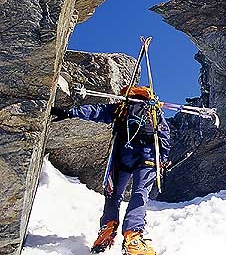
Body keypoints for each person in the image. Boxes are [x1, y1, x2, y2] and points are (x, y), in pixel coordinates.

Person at [50, 85, 171, 255]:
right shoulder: (154, 112)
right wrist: (163, 159)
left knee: (114, 193)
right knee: (140, 193)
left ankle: (108, 227)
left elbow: (96, 111)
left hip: (123, 157)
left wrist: (69, 112)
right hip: (148, 158)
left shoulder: (122, 108)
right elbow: (164, 135)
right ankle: (133, 237)